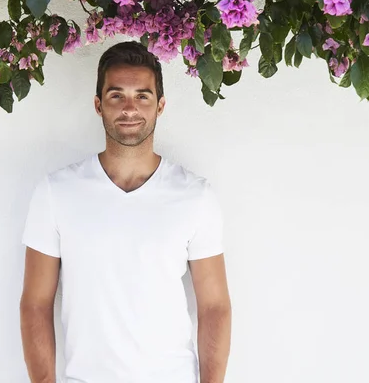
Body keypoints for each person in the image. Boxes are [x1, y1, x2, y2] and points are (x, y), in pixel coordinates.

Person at [19, 41, 232, 383]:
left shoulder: (195, 195)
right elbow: (35, 304)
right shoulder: (55, 193)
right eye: (116, 95)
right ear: (98, 104)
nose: (129, 108)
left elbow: (215, 306)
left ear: (160, 106)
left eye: (142, 96)